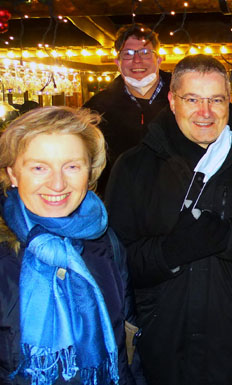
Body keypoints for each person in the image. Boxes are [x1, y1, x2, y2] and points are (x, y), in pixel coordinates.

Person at [104, 54, 232, 385]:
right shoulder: (135, 166)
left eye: (215, 99)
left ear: (228, 103)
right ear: (172, 101)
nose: (205, 112)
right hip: (165, 346)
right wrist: (171, 251)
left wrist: (229, 236)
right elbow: (116, 262)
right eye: (193, 99)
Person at [0, 107, 134, 384]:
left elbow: (124, 345)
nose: (58, 184)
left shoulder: (106, 241)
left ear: (90, 171)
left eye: (72, 166)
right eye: (39, 167)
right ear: (13, 174)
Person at [84, 24, 171, 196]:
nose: (137, 60)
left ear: (159, 60)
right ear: (118, 62)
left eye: (145, 53)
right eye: (128, 54)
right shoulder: (96, 109)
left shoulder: (184, 97)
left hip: (177, 201)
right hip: (118, 202)